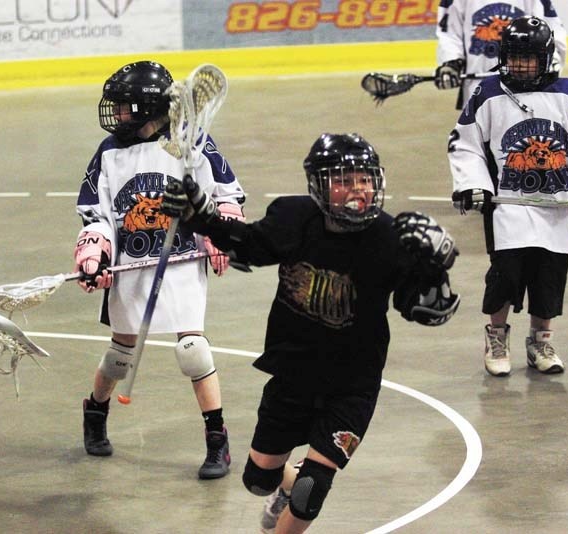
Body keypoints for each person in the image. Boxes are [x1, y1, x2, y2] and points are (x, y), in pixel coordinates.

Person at [161, 133, 460, 533]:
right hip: (294, 371)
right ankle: (284, 485)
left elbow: (423, 309)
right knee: (257, 480)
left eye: (365, 179)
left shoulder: (391, 239)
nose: (358, 190)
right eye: (344, 180)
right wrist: (201, 217)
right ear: (320, 186)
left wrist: (434, 270)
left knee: (311, 491)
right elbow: (248, 246)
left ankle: (297, 491)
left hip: (353, 382)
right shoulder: (294, 219)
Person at [73, 60, 245, 479]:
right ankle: (95, 409)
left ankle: (217, 438)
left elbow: (227, 193)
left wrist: (221, 229)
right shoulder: (110, 152)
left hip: (182, 259)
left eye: (125, 107)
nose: (118, 116)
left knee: (193, 349)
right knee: (121, 355)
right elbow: (95, 212)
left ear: (149, 108)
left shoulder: (193, 142)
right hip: (132, 262)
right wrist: (94, 250)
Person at [448, 16, 568, 377]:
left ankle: (540, 340)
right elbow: (465, 144)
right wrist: (473, 185)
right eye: (515, 57)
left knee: (549, 278)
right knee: (505, 276)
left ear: (547, 57)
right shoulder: (489, 93)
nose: (521, 66)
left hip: (555, 208)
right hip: (508, 206)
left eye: (529, 58)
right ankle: (496, 337)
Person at [435, 0, 567, 109]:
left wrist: (552, 61)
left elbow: (550, 30)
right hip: (477, 89)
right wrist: (452, 62)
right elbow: (450, 34)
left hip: (526, 87)